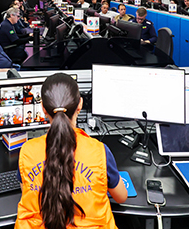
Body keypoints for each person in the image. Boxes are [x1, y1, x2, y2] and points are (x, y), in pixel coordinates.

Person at [15, 73, 127, 229]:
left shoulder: (27, 151)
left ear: (43, 109)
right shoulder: (99, 151)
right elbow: (121, 197)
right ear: (80, 105)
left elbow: (27, 193)